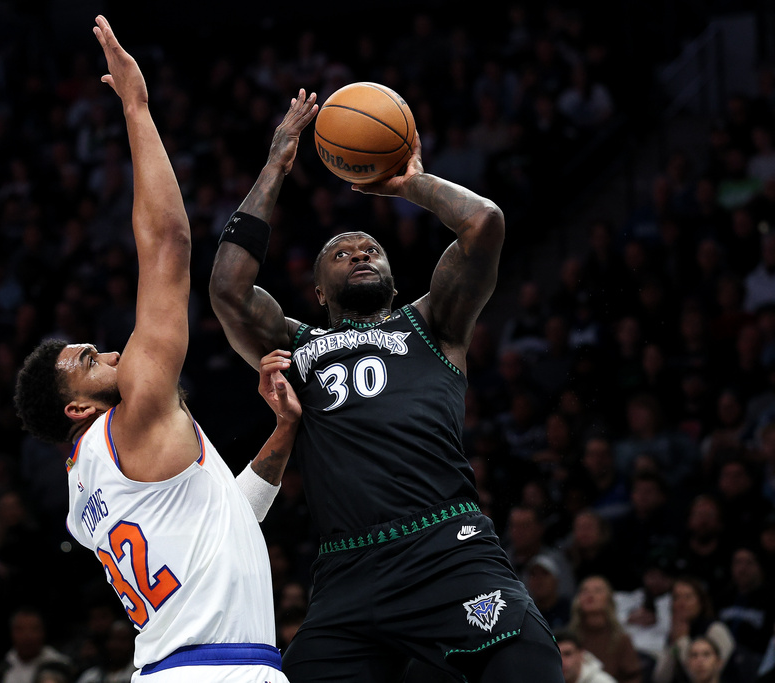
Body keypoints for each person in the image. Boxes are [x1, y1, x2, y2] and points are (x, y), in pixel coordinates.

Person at [209, 88, 562, 682]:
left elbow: (484, 223)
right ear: (318, 292)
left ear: (394, 280)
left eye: (369, 247)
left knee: (529, 663)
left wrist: (408, 182)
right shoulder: (296, 348)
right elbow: (228, 289)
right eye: (340, 253)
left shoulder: (434, 323)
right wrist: (276, 164)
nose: (358, 252)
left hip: (446, 548)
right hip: (349, 574)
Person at [13, 17, 297, 683]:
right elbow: (169, 244)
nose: (110, 353)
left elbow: (224, 516)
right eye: (89, 360)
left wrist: (282, 432)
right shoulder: (134, 415)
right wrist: (137, 107)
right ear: (80, 407)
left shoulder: (86, 495)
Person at [653, 577, 735, 683]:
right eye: (676, 597)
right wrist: (674, 646)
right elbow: (660, 679)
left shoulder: (716, 630)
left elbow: (707, 677)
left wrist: (683, 641)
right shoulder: (677, 633)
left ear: (700, 602)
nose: (681, 603)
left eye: (688, 597)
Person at [568, 576, 643, 683]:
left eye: (597, 591)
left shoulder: (621, 639)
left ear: (609, 599)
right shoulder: (568, 638)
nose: (590, 595)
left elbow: (633, 677)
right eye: (584, 591)